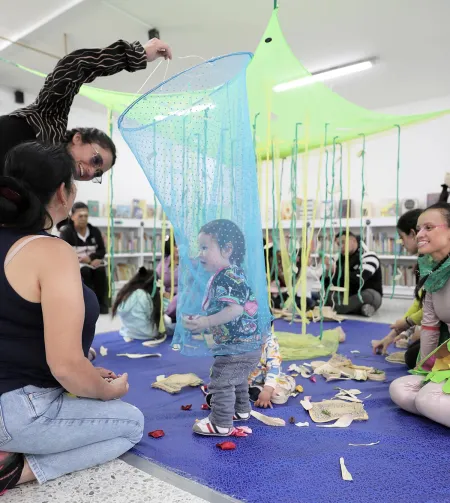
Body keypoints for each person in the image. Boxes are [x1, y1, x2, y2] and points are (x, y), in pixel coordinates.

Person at [0, 142, 143, 494]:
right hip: (20, 410)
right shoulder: (51, 250)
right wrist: (106, 391)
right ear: (64, 193)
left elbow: (18, 332)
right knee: (132, 424)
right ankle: (15, 472)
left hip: (12, 397)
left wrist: (86, 369)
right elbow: (64, 365)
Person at [0, 38, 172, 179]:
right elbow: (74, 66)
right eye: (96, 160)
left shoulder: (51, 189)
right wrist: (137, 54)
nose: (90, 171)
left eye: (97, 173)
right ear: (77, 138)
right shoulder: (50, 118)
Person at [184, 219, 262, 436]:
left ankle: (220, 423)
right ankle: (241, 410)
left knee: (221, 381)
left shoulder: (225, 277)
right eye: (199, 248)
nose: (200, 253)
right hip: (249, 345)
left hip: (235, 347)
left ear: (228, 249)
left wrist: (205, 322)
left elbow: (235, 310)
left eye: (205, 247)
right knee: (237, 380)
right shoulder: (234, 273)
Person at [390, 202, 450, 428]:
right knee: (400, 390)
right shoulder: (434, 273)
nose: (420, 234)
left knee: (425, 399)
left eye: (429, 227)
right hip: (447, 358)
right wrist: (424, 370)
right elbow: (430, 326)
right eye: (419, 229)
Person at [372, 209, 423, 362]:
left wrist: (408, 324)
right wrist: (394, 333)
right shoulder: (424, 262)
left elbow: (432, 307)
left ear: (414, 234)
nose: (401, 243)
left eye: (401, 237)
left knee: (414, 355)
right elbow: (421, 301)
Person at [59, 202, 108, 314]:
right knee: (85, 271)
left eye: (86, 216)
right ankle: (86, 306)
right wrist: (82, 260)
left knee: (101, 270)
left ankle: (101, 305)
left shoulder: (95, 231)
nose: (83, 219)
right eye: (80, 216)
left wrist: (93, 258)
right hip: (75, 264)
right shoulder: (66, 232)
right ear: (72, 217)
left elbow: (102, 250)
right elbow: (63, 252)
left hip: (92, 262)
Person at [325, 231, 382, 317]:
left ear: (353, 240)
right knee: (326, 293)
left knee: (368, 295)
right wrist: (327, 272)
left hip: (366, 293)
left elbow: (358, 280)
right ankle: (361, 309)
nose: (341, 247)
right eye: (338, 244)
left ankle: (339, 307)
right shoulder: (338, 257)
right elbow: (327, 282)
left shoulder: (369, 256)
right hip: (346, 295)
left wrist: (336, 271)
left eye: (343, 242)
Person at [112, 266, 164, 344]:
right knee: (171, 324)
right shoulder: (143, 295)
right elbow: (152, 314)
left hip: (128, 331)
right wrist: (164, 299)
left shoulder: (126, 292)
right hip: (146, 334)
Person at [156, 237, 179, 322]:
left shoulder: (189, 263)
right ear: (171, 246)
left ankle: (166, 315)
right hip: (167, 295)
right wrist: (162, 293)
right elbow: (155, 279)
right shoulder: (165, 261)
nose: (178, 248)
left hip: (183, 296)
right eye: (176, 246)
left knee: (180, 298)